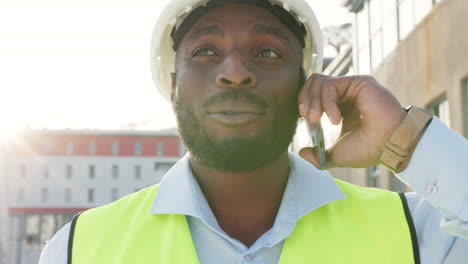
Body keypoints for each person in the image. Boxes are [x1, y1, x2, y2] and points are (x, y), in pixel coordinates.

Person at [40, 0, 468, 263]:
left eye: (267, 51)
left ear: (306, 84)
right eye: (206, 51)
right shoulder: (77, 251)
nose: (236, 73)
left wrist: (406, 139)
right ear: (173, 86)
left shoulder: (417, 234)